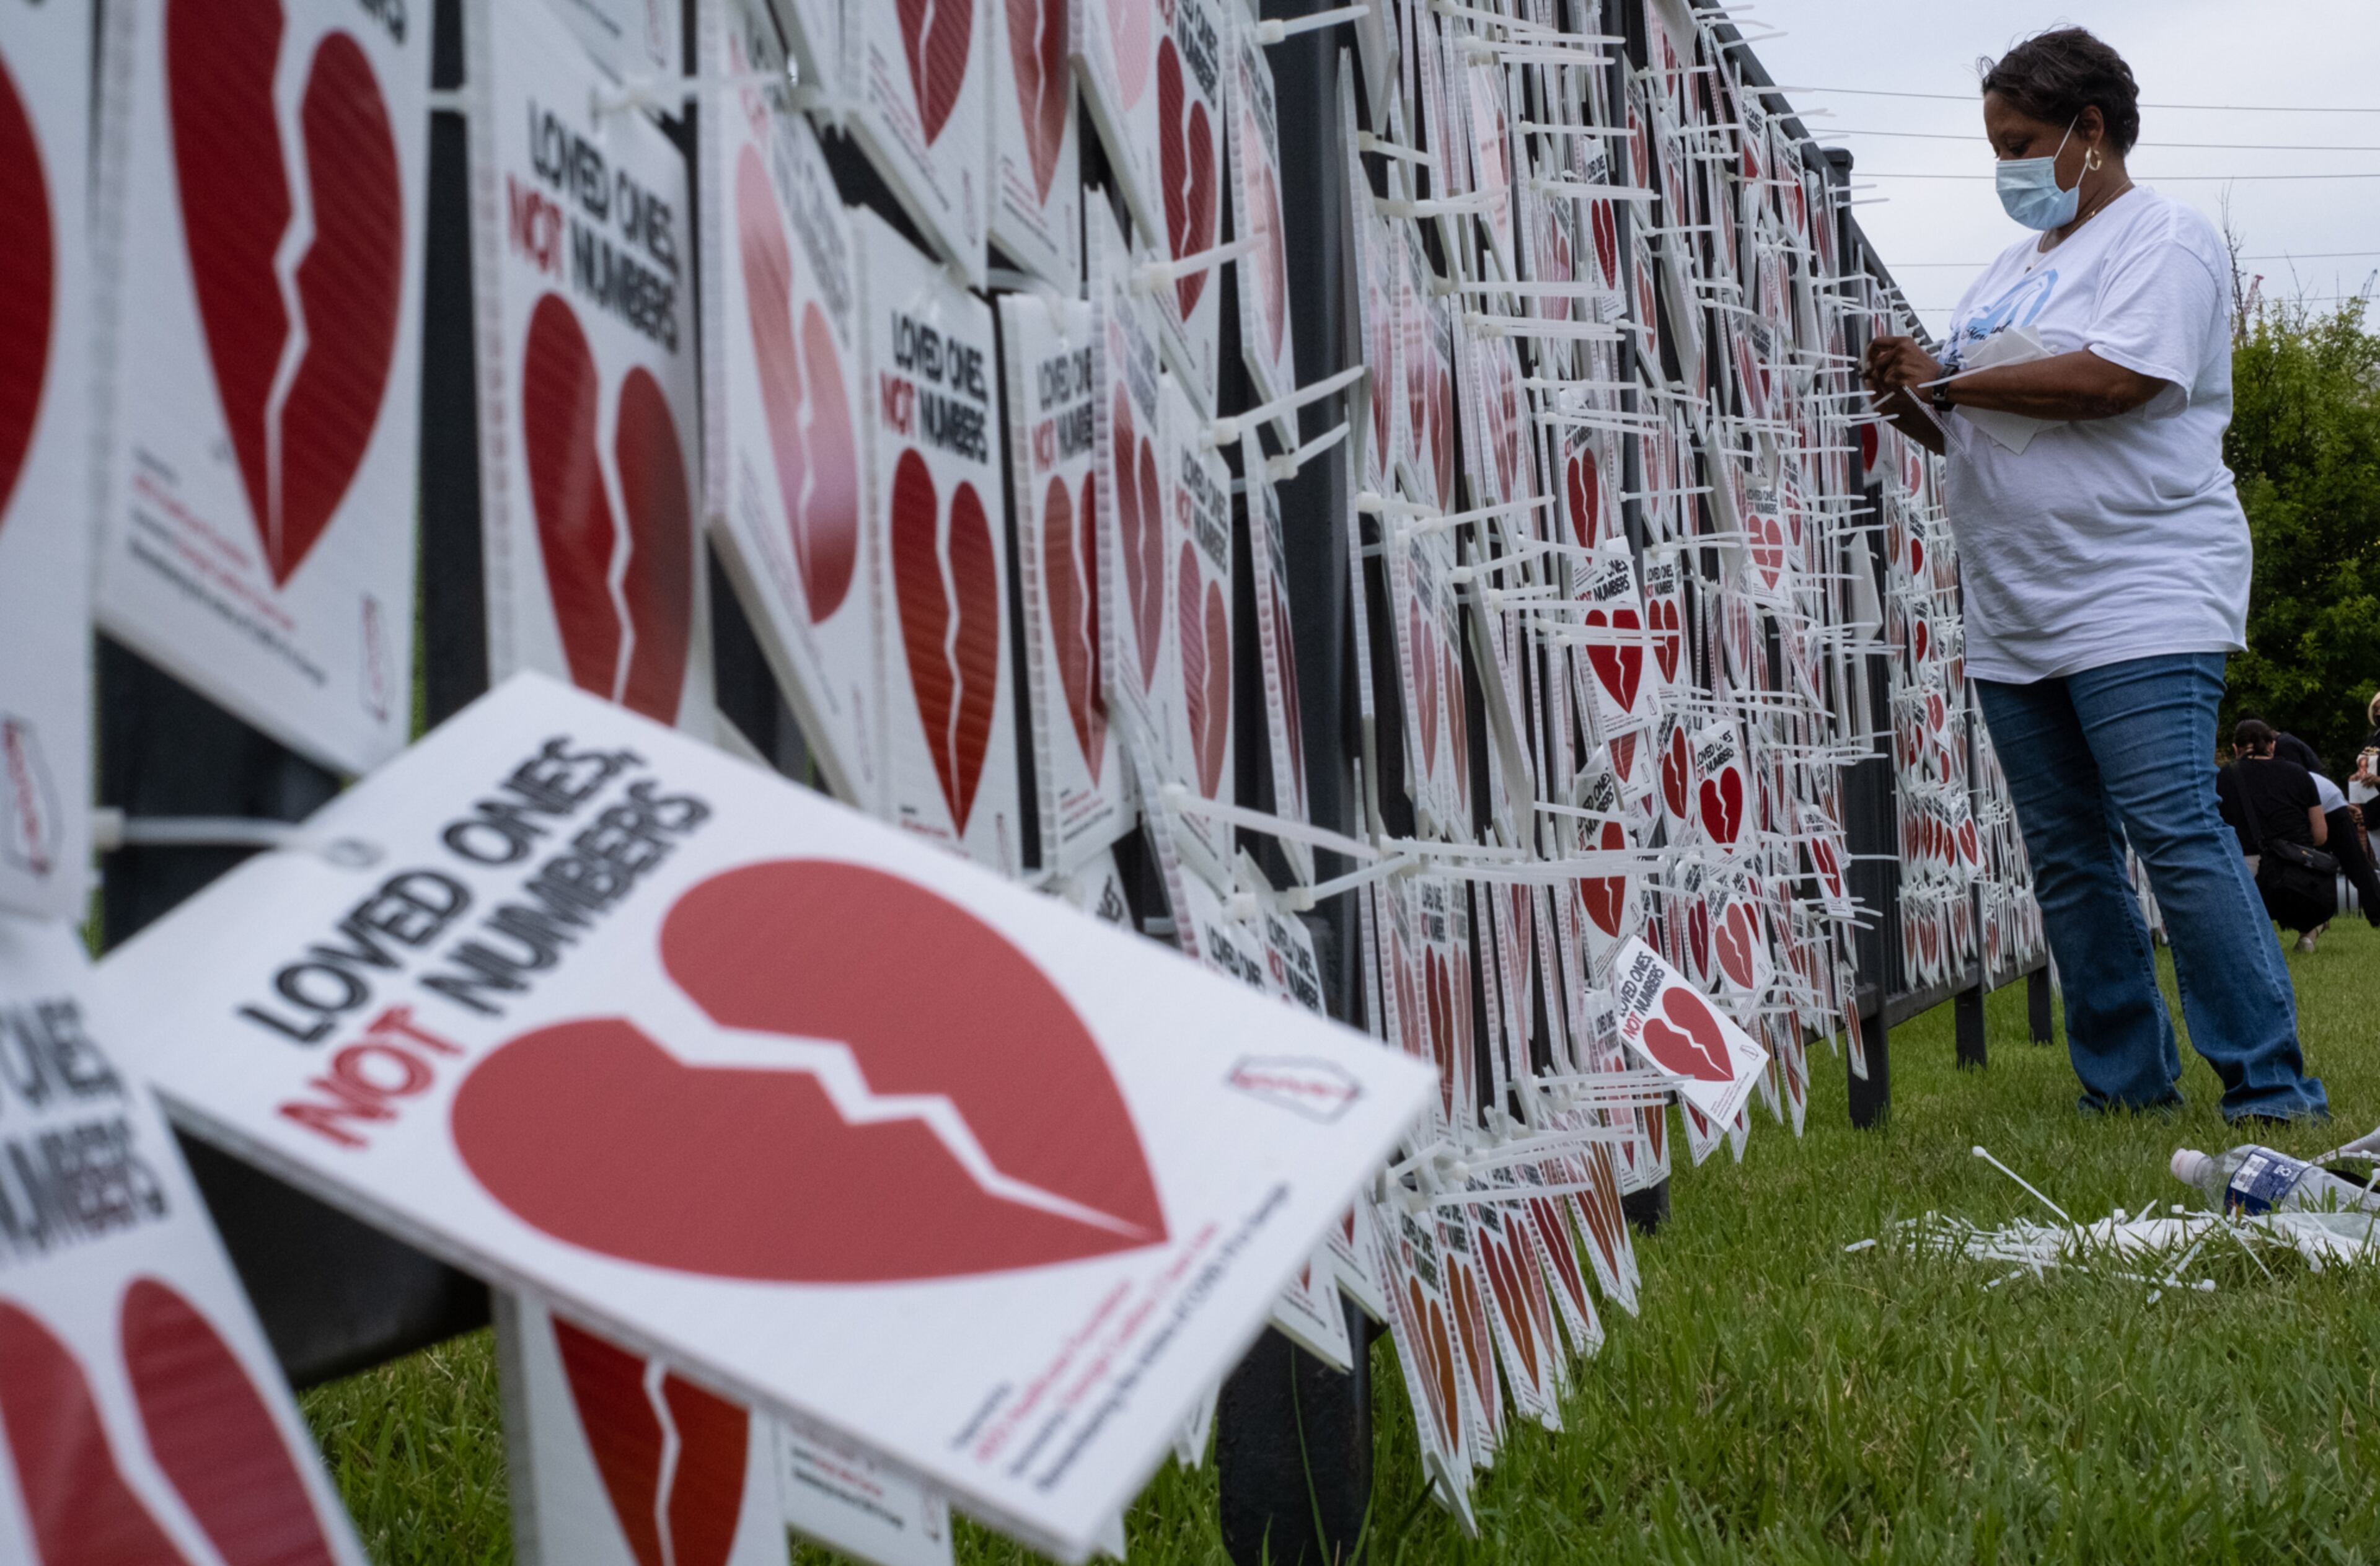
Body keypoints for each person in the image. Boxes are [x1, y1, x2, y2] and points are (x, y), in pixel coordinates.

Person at [1860, 28, 2327, 1123]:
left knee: (2172, 828)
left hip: (2139, 588)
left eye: (2020, 143)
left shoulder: (2163, 240)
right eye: (1995, 148)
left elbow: (2120, 380)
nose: (2006, 169)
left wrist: (1957, 381)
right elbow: (1978, 427)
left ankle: (2268, 1082)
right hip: (2019, 604)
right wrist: (1917, 400)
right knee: (2068, 855)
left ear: (2092, 131)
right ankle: (2122, 1083)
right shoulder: (2004, 274)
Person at [2216, 719, 2336, 949]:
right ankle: (2308, 935)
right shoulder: (2300, 774)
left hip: (2246, 872)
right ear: (2272, 745)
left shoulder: (2224, 778)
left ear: (2235, 748)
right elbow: (2320, 835)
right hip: (2299, 876)